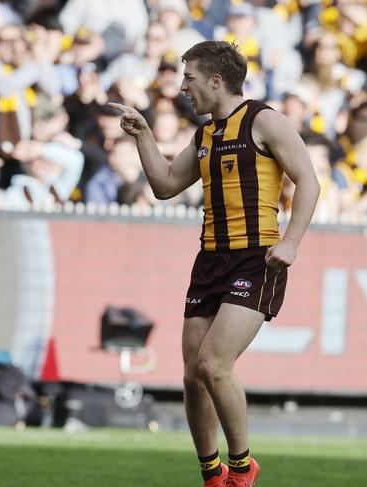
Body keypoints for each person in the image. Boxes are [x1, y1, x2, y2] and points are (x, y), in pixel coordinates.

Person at [109, 40, 319, 487]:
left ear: (216, 80)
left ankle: (242, 468)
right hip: (210, 260)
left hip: (256, 258)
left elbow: (309, 181)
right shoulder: (205, 135)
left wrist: (292, 242)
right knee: (191, 376)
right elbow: (165, 185)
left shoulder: (264, 120)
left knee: (213, 364)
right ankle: (212, 474)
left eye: (189, 78)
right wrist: (143, 135)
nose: (184, 87)